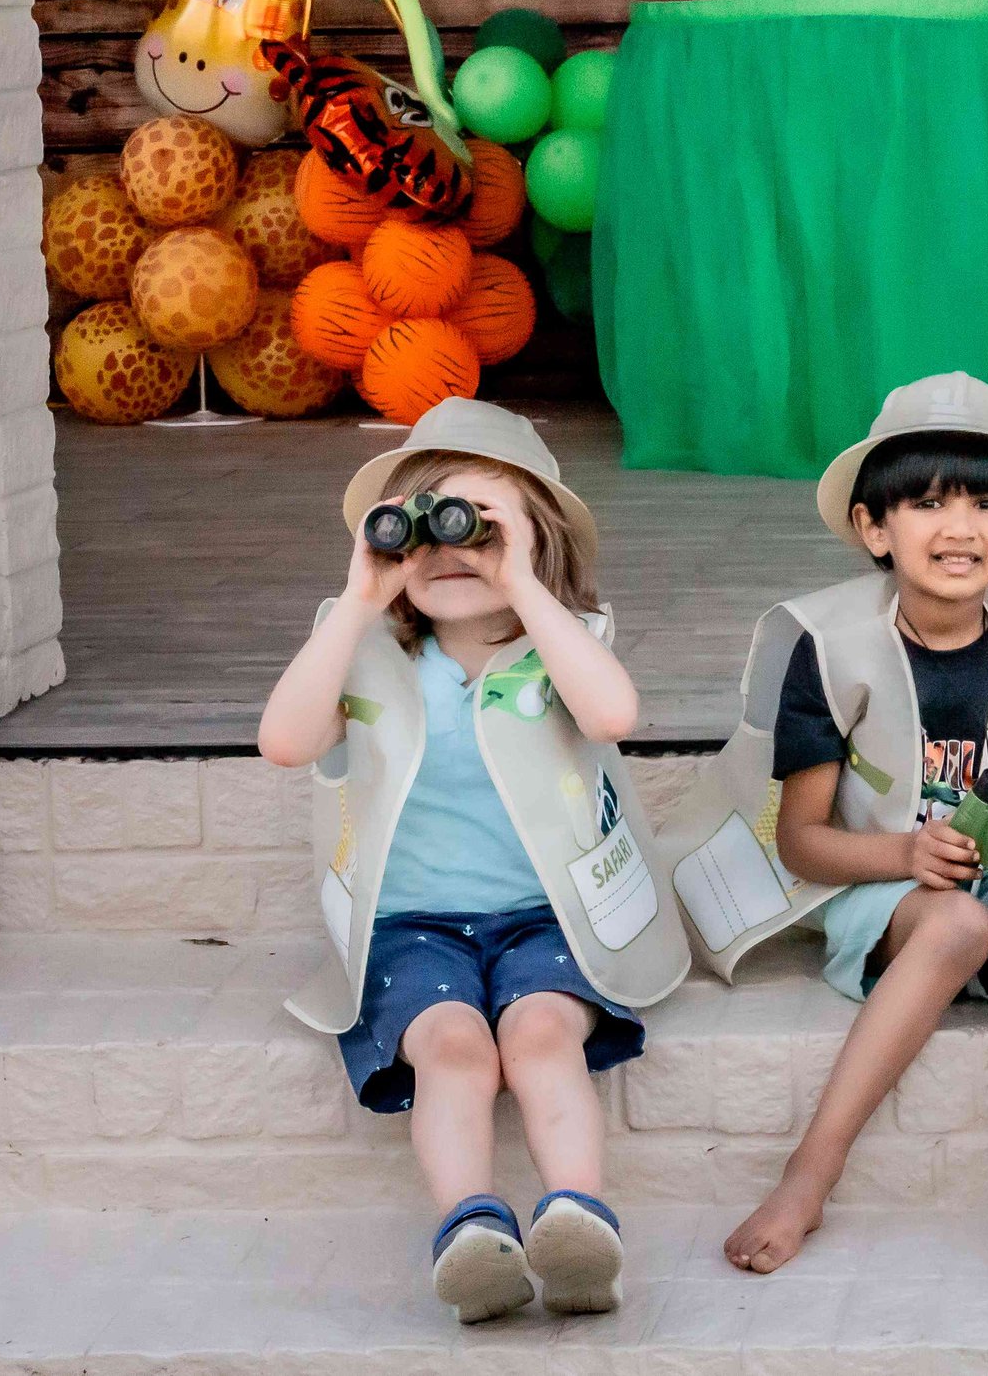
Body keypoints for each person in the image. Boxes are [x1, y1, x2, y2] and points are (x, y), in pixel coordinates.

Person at [261, 398, 688, 1324]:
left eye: (483, 527)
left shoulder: (561, 646)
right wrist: (360, 600)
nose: (451, 547)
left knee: (541, 1036)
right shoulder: (367, 652)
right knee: (452, 1053)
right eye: (424, 525)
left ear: (539, 544)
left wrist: (527, 586)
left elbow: (613, 714)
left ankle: (578, 1224)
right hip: (410, 921)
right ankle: (470, 1233)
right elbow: (286, 741)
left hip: (547, 912)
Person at [710, 374, 988, 1290]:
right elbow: (802, 839)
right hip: (881, 889)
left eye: (987, 502)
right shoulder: (828, 641)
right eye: (927, 502)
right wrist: (905, 855)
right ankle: (811, 1172)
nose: (959, 526)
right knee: (958, 921)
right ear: (874, 527)